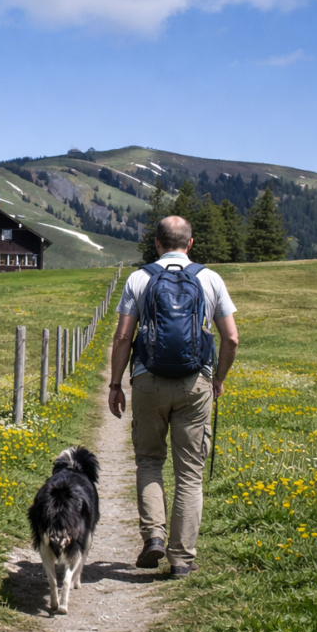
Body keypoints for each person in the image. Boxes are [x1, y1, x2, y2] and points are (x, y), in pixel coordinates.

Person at [107, 215, 239, 578]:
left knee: (149, 460)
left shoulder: (139, 277)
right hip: (195, 382)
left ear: (157, 243)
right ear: (191, 243)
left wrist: (116, 384)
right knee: (190, 474)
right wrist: (219, 379)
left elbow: (122, 337)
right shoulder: (209, 278)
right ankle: (181, 558)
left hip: (147, 379)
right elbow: (231, 338)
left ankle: (153, 537)